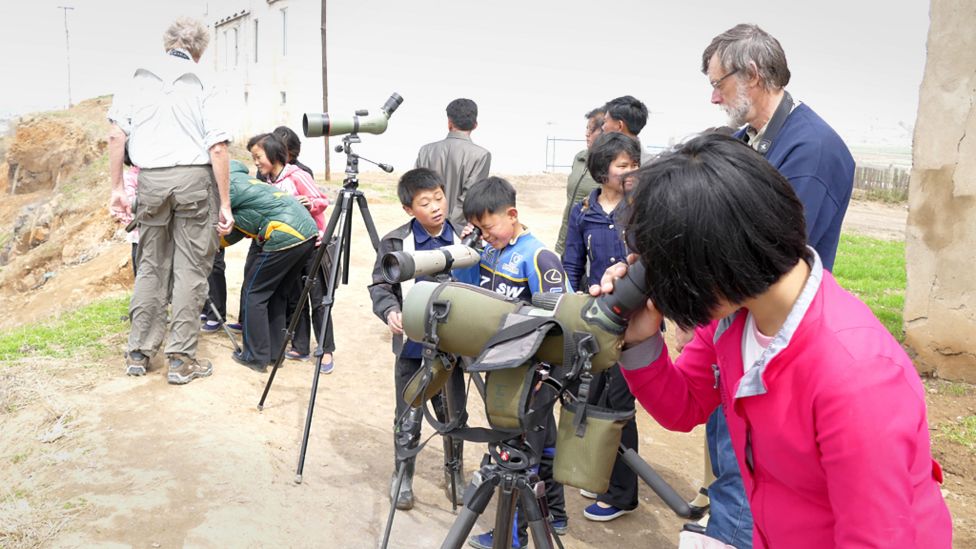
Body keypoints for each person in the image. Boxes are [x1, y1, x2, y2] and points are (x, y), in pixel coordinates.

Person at [592, 133, 952, 549]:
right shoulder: (739, 315)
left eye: (670, 270)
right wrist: (639, 340)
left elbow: (876, 538)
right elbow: (683, 405)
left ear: (715, 262)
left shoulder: (856, 376)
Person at [695, 24, 857, 546]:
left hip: (773, 345)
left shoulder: (812, 150)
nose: (714, 96)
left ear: (754, 76)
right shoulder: (755, 141)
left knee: (745, 477)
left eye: (719, 83)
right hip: (741, 331)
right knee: (731, 468)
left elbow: (769, 258)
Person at [107, 17, 233, 385]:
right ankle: (180, 360)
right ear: (199, 49)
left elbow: (117, 135)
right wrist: (224, 202)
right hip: (194, 179)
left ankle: (138, 353)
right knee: (191, 269)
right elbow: (219, 147)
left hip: (150, 181)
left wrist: (117, 188)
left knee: (150, 266)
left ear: (167, 44)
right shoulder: (208, 80)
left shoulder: (136, 77)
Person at [463, 176, 568, 549]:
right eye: (479, 229)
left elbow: (557, 323)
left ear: (512, 214)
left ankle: (513, 536)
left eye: (488, 227)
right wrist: (468, 247)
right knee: (545, 441)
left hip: (534, 374)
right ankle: (555, 512)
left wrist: (543, 376)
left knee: (522, 453)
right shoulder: (491, 251)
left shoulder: (538, 257)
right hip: (510, 366)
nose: (485, 235)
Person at [367, 167, 478, 511]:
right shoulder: (396, 242)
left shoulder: (466, 235)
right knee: (408, 413)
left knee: (453, 415)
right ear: (408, 209)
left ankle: (454, 473)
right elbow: (380, 286)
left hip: (453, 348)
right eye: (425, 202)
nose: (435, 207)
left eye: (439, 198)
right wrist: (390, 312)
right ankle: (403, 474)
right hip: (413, 348)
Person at [562, 131, 642, 522]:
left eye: (633, 164)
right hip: (596, 322)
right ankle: (598, 473)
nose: (630, 172)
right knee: (592, 399)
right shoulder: (583, 211)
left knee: (621, 407)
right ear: (600, 171)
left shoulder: (640, 208)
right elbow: (573, 265)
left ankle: (622, 495)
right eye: (622, 165)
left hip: (635, 323)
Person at [222, 160, 318, 372]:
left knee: (253, 293)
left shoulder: (228, 184)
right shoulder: (246, 182)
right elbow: (236, 228)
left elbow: (213, 215)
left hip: (284, 233)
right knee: (276, 295)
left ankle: (255, 357)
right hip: (307, 233)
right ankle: (274, 355)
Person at [416, 98, 492, 228]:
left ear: (449, 123)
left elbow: (415, 190)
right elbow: (469, 198)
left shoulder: (425, 151)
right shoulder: (482, 155)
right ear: (475, 125)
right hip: (459, 232)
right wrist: (448, 228)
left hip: (424, 229)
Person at [554, 106, 605, 255]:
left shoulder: (609, 166)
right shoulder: (580, 158)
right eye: (586, 128)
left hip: (590, 244)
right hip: (567, 238)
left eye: (591, 129)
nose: (586, 133)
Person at [601, 95, 653, 163]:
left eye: (605, 121)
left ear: (619, 126)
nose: (602, 127)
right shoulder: (651, 163)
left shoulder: (648, 166)